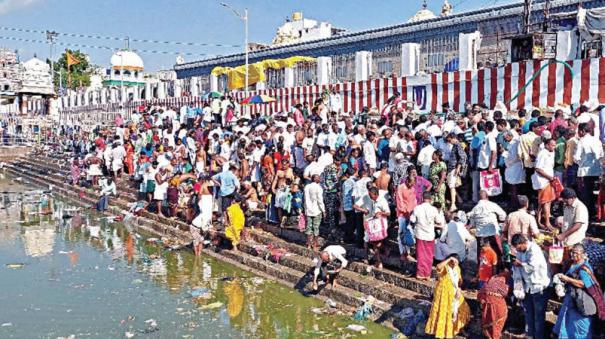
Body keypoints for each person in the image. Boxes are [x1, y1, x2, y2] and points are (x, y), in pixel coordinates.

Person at [554, 243, 605, 339]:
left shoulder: (584, 268)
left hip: (581, 302)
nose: (573, 255)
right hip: (570, 300)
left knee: (581, 328)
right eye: (572, 253)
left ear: (583, 254)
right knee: (568, 324)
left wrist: (568, 279)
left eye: (576, 253)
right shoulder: (571, 264)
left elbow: (584, 284)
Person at [511, 234, 550, 339]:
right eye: (516, 248)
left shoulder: (534, 250)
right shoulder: (520, 251)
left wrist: (520, 264)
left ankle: (538, 336)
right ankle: (529, 334)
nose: (518, 250)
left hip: (539, 286)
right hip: (527, 286)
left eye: (519, 247)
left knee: (538, 315)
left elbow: (532, 267)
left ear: (523, 243)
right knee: (528, 312)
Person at [424, 254, 471, 338]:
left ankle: (459, 329)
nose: (455, 264)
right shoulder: (445, 267)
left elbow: (459, 282)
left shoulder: (457, 269)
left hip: (454, 293)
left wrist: (459, 290)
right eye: (454, 262)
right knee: (443, 313)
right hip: (443, 294)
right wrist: (449, 259)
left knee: (463, 309)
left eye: (457, 262)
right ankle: (441, 333)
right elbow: (438, 267)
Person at [467, 190, 506, 269]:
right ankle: (500, 268)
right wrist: (499, 220)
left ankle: (480, 271)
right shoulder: (492, 205)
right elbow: (503, 215)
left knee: (481, 254)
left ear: (479, 198)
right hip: (493, 233)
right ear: (487, 196)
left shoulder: (475, 208)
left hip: (480, 235)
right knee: (497, 251)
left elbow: (472, 224)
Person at [411, 191, 445, 280]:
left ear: (422, 199)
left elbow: (412, 220)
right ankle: (427, 274)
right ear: (430, 200)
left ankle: (420, 274)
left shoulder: (417, 208)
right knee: (429, 255)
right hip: (430, 235)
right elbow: (439, 221)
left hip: (420, 234)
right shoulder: (434, 209)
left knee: (420, 255)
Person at [354, 187, 390, 269]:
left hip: (379, 225)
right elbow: (355, 206)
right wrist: (363, 210)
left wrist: (380, 213)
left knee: (375, 243)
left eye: (372, 196)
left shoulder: (382, 200)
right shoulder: (365, 197)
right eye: (369, 195)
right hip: (368, 223)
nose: (370, 197)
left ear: (376, 195)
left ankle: (379, 260)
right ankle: (369, 258)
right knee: (368, 241)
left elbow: (388, 213)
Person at [574, 122, 604, 217]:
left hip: (584, 172)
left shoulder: (581, 141)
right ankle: (595, 213)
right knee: (595, 193)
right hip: (597, 171)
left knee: (585, 194)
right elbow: (601, 156)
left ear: (582, 131)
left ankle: (586, 214)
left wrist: (580, 164)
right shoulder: (597, 141)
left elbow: (576, 157)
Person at [532, 138, 557, 230]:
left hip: (548, 180)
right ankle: (547, 223)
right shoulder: (542, 154)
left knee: (545, 202)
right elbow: (538, 169)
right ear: (546, 145)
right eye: (552, 145)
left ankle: (539, 221)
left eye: (555, 145)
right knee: (545, 202)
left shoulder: (550, 153)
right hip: (543, 181)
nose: (554, 147)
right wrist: (549, 177)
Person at [478, 270, 511, 339]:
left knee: (488, 317)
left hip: (484, 297)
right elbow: (507, 293)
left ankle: (489, 335)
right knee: (499, 317)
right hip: (495, 301)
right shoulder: (507, 280)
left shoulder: (493, 278)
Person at [558, 188, 589, 260]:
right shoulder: (566, 206)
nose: (564, 202)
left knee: (573, 259)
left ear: (573, 198)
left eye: (566, 200)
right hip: (566, 239)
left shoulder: (580, 207)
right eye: (563, 200)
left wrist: (563, 235)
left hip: (575, 240)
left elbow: (578, 225)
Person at [396, 175, 417, 262]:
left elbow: (413, 200)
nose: (412, 186)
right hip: (402, 214)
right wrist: (405, 211)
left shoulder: (412, 189)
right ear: (407, 181)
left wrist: (411, 211)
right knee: (401, 234)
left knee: (408, 234)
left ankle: (407, 253)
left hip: (410, 213)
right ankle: (402, 254)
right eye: (411, 184)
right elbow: (399, 201)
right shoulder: (400, 188)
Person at [304, 174, 324, 250]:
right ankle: (315, 244)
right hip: (317, 210)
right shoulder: (318, 187)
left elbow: (305, 198)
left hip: (308, 210)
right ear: (316, 179)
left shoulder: (307, 187)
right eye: (319, 178)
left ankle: (309, 244)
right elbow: (320, 200)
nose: (320, 179)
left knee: (309, 227)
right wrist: (323, 210)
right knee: (316, 227)